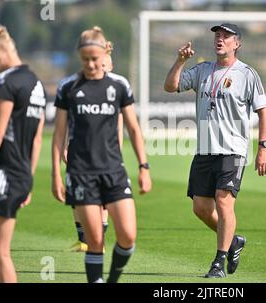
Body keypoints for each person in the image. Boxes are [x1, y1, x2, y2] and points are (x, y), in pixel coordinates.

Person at [164, 23, 266, 278]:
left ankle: (218, 263)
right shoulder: (202, 70)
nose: (219, 39)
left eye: (225, 36)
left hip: (232, 150)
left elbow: (263, 113)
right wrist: (180, 61)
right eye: (217, 36)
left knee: (224, 202)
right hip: (205, 150)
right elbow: (171, 86)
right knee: (200, 207)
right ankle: (233, 242)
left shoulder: (247, 74)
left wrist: (263, 148)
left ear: (237, 43)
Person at [52, 26, 151, 283]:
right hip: (81, 174)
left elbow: (133, 128)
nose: (91, 64)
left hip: (114, 172)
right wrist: (56, 175)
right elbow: (58, 134)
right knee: (94, 241)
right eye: (85, 59)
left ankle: (112, 279)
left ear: (103, 55)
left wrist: (144, 166)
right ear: (79, 56)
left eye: (95, 59)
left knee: (127, 237)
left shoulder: (119, 86)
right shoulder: (68, 87)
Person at [0, 25, 46, 282]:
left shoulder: (6, 81)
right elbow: (37, 139)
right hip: (20, 173)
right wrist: (29, 178)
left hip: (3, 172)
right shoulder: (36, 83)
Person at [65, 41, 121, 253]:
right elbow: (70, 119)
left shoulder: (116, 88)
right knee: (77, 193)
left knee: (103, 197)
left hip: (105, 150)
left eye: (105, 64)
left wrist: (117, 149)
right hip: (80, 147)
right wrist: (65, 144)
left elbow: (120, 123)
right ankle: (84, 239)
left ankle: (98, 240)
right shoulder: (79, 86)